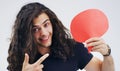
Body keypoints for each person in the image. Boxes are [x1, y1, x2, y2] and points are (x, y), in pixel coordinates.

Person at [7, 2, 114, 71]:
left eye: (46, 24)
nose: (44, 33)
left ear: (53, 23)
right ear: (26, 33)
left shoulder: (73, 48)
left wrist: (107, 54)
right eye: (35, 29)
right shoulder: (20, 58)